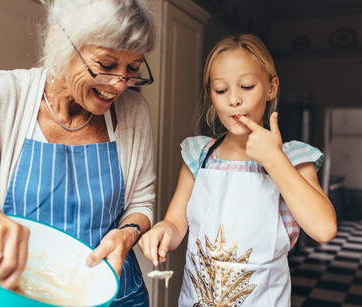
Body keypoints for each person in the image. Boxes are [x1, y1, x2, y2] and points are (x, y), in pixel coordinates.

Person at [0, 0, 157, 305]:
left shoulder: (134, 112)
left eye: (133, 69)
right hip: (19, 295)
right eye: (107, 65)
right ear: (59, 42)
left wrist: (128, 232)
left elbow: (141, 200)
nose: (120, 84)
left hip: (117, 296)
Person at [139, 33, 337, 306]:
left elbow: (324, 229)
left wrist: (274, 160)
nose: (234, 100)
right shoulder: (199, 156)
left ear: (271, 87)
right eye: (221, 90)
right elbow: (175, 224)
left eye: (246, 86)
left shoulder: (293, 158)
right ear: (211, 94)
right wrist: (163, 231)